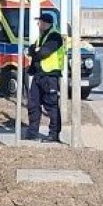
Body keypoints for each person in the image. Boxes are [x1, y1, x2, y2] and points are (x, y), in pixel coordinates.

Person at [23, 12, 65, 144]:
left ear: (46, 23)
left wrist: (36, 52)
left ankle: (54, 134)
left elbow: (43, 53)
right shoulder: (42, 37)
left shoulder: (55, 37)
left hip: (50, 76)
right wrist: (35, 51)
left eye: (40, 22)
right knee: (33, 104)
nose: (38, 24)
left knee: (51, 106)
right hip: (39, 75)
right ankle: (32, 132)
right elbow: (31, 49)